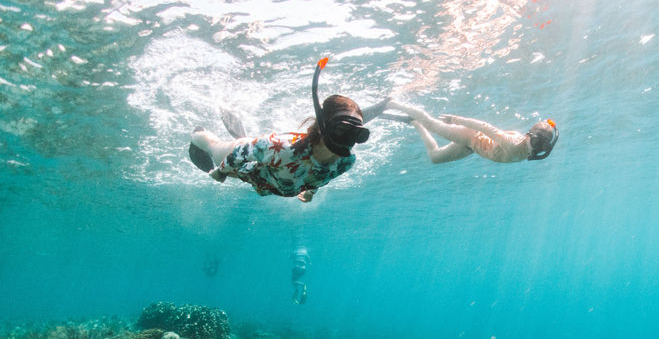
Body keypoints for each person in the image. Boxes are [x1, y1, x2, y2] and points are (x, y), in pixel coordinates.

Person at [188, 58, 389, 202]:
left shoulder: (347, 161)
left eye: (358, 135)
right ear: (322, 126)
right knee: (213, 146)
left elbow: (323, 174)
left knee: (254, 146)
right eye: (343, 131)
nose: (349, 141)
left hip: (265, 173)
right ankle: (197, 134)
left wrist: (311, 191)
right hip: (244, 161)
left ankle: (246, 138)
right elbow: (239, 154)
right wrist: (220, 172)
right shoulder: (280, 148)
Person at [382, 99, 558, 164]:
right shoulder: (513, 143)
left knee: (435, 158)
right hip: (470, 136)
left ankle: (414, 123)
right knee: (432, 124)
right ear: (529, 135)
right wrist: (456, 120)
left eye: (541, 148)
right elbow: (485, 127)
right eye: (536, 144)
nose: (535, 150)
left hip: (472, 147)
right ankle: (391, 103)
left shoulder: (526, 148)